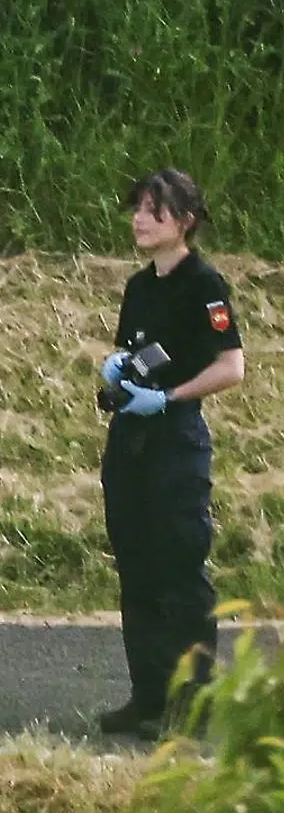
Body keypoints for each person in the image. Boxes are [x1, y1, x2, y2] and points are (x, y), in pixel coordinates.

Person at [95, 168, 244, 740]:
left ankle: (193, 700)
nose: (139, 218)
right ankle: (148, 693)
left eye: (154, 210)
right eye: (138, 207)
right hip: (131, 443)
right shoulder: (140, 285)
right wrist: (119, 370)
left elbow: (231, 367)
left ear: (184, 221)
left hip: (175, 441)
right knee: (136, 571)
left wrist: (168, 397)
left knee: (179, 573)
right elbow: (132, 350)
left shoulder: (204, 283)